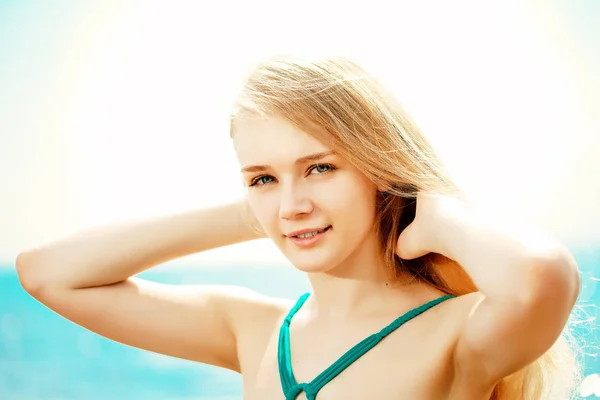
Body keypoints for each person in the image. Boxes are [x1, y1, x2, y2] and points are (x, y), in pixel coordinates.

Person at [16, 54, 581, 400]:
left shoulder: (459, 332)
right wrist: (255, 210)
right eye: (262, 177)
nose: (294, 204)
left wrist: (432, 210)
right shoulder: (252, 330)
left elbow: (542, 276)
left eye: (321, 168)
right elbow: (47, 274)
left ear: (379, 168)